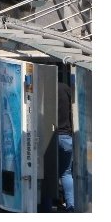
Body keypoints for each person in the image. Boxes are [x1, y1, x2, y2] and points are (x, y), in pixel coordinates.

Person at [41, 80, 76, 212]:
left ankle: (47, 207)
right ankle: (70, 205)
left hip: (49, 136)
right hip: (66, 137)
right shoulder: (66, 89)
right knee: (66, 173)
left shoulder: (44, 90)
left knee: (48, 173)